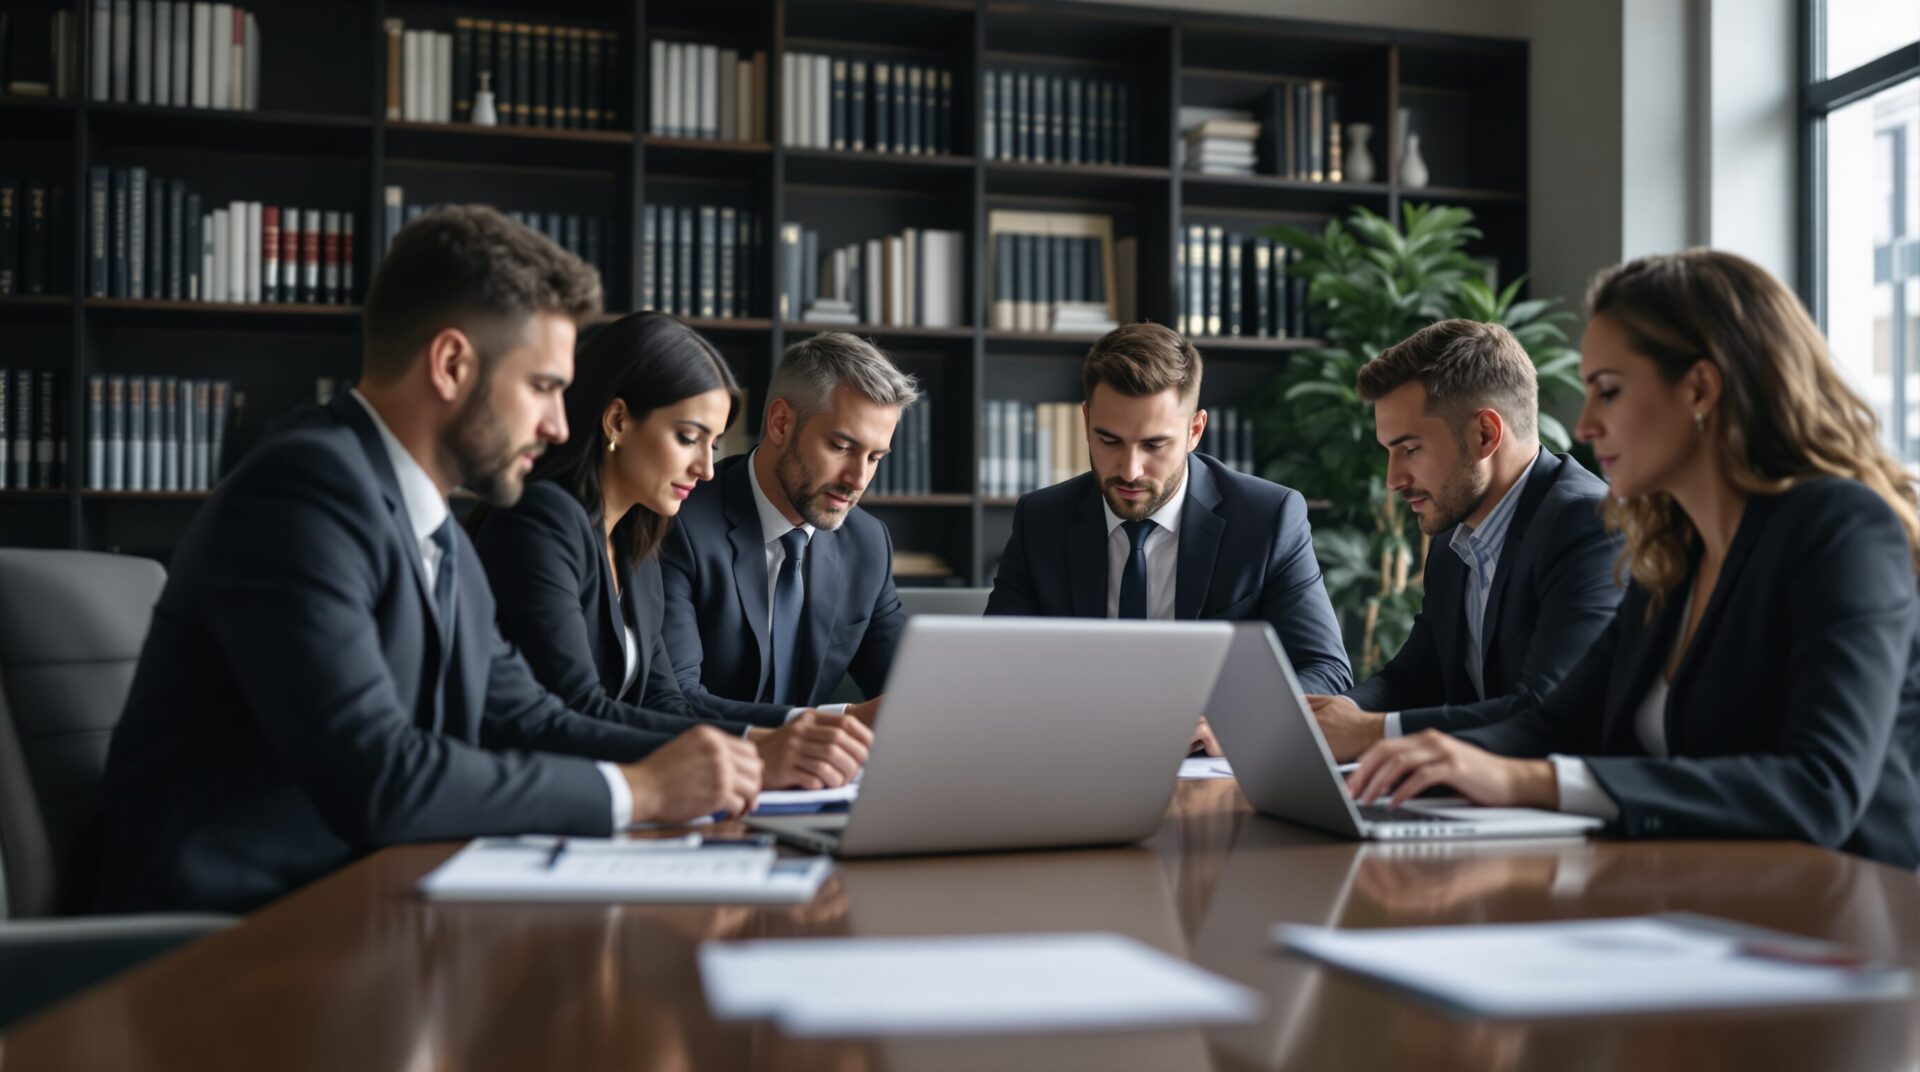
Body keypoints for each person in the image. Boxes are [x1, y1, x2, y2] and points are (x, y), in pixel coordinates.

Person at [99, 207, 762, 914]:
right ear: (451, 365)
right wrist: (643, 791)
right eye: (541, 387)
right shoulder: (302, 493)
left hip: (361, 908)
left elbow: (530, 717)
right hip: (222, 938)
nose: (559, 425)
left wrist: (736, 760)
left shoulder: (430, 524)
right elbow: (382, 776)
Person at [1348, 249, 1920, 868]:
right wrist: (1422, 762)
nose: (1587, 425)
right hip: (1700, 902)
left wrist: (1527, 782)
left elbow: (1821, 788)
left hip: (1843, 924)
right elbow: (1556, 725)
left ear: (1700, 388)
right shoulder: (1674, 554)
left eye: (1609, 392)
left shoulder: (1842, 528)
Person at [471, 312, 874, 790]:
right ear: (618, 420)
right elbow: (575, 710)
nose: (706, 469)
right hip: (533, 801)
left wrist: (771, 748)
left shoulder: (636, 539)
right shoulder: (542, 520)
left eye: (715, 444)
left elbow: (665, 703)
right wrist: (757, 750)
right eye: (688, 438)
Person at [984, 321, 1352, 751]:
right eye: (1109, 440)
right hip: (1077, 757)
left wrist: (1236, 722)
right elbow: (998, 667)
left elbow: (1324, 669)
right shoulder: (1041, 519)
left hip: (1206, 767)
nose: (1129, 470)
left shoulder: (1267, 518)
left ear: (1195, 431)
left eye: (1154, 445)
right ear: (1086, 421)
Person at [1311, 319, 1621, 761]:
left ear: (1485, 434)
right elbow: (1415, 677)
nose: (1393, 480)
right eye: (1389, 453)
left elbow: (1550, 709)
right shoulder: (1454, 538)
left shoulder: (1588, 525)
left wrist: (1373, 731)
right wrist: (1336, 712)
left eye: (1411, 449)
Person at [657, 332, 915, 714]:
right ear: (780, 423)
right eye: (841, 447)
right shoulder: (679, 524)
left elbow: (911, 688)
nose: (858, 480)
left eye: (875, 457)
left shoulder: (868, 542)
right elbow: (676, 700)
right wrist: (827, 725)